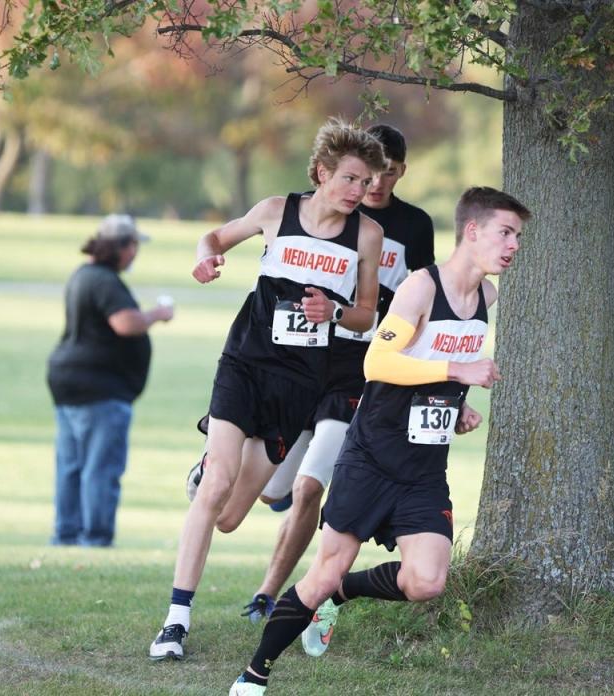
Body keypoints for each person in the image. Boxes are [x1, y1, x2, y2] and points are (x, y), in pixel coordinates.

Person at [227, 186, 530, 696]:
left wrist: (454, 406)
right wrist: (460, 368)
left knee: (427, 582)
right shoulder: (420, 288)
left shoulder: (487, 297)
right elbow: (378, 363)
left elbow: (427, 365)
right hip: (370, 456)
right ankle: (254, 675)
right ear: (472, 231)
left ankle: (343, 594)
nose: (514, 245)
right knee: (321, 572)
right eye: (505, 232)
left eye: (518, 236)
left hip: (423, 468)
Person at [148, 119, 387, 661]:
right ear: (323, 173)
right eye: (350, 179)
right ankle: (175, 622)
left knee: (230, 516)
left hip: (300, 383)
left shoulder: (366, 236)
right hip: (246, 364)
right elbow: (214, 237)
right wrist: (204, 257)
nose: (359, 191)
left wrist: (338, 312)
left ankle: (207, 467)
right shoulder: (276, 211)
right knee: (216, 488)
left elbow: (367, 313)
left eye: (365, 182)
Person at [235, 124, 436, 622]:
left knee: (310, 487)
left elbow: (430, 304)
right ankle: (267, 490)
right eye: (367, 175)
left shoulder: (412, 226)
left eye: (386, 174)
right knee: (273, 489)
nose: (374, 185)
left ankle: (269, 593)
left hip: (360, 367)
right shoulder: (331, 210)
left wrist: (431, 374)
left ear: (399, 172)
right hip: (303, 360)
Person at [46, 214, 174, 547]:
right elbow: (126, 323)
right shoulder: (103, 280)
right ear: (120, 247)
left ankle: (66, 534)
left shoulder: (83, 275)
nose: (135, 253)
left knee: (72, 465)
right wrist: (158, 314)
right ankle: (96, 537)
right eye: (133, 246)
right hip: (100, 387)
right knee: (100, 467)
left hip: (70, 381)